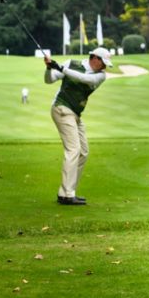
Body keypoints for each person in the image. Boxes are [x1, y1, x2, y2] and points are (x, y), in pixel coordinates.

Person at [43, 47, 112, 206]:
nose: (104, 67)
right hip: (61, 108)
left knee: (84, 152)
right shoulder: (71, 63)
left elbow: (84, 79)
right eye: (103, 63)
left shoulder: (100, 76)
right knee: (73, 149)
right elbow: (49, 80)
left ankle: (65, 191)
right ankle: (68, 194)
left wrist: (61, 68)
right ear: (94, 58)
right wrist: (49, 68)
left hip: (75, 114)